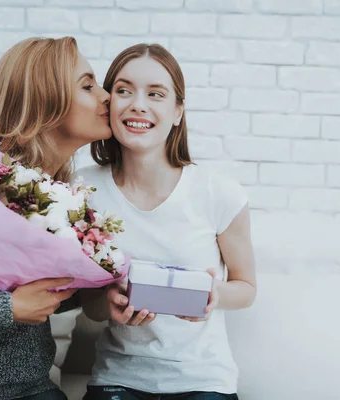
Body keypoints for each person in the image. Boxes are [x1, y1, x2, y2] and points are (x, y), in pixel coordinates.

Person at [0, 36, 111, 400]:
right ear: (45, 101)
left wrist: (105, 288)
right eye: (88, 86)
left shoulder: (61, 195)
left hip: (34, 389)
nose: (106, 96)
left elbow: (37, 294)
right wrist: (5, 307)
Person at [79, 43, 257, 400]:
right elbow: (87, 302)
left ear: (178, 112)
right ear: (108, 103)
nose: (138, 104)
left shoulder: (219, 194)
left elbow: (247, 289)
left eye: (155, 94)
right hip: (118, 377)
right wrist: (109, 304)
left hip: (202, 380)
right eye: (124, 90)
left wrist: (213, 293)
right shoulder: (82, 190)